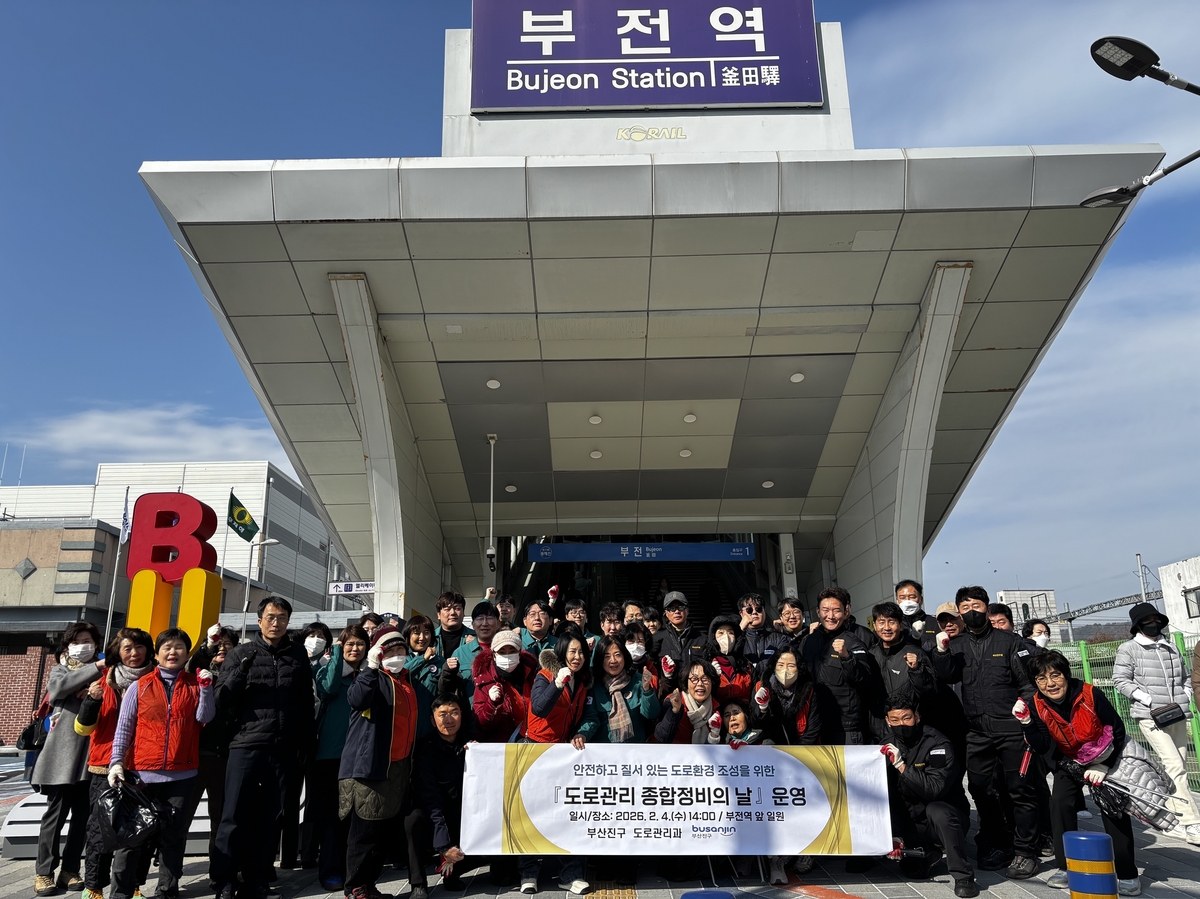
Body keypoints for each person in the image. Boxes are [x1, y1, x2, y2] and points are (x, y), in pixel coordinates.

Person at [1014, 651, 1145, 895]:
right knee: (1060, 804)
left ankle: (1127, 872)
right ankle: (1065, 867)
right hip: (1069, 760)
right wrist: (1026, 723)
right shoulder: (1036, 703)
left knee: (1112, 807)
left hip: (1104, 756)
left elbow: (1116, 730)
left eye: (1055, 675)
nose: (1050, 684)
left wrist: (1104, 765)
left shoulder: (1090, 693)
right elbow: (1042, 745)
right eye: (1041, 679)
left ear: (1066, 674)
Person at [931, 586, 1039, 878]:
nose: (971, 611)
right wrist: (941, 650)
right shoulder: (957, 644)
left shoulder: (1010, 641)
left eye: (976, 605)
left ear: (986, 608)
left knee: (1019, 789)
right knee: (980, 789)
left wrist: (1023, 703)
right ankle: (997, 843)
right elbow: (948, 675)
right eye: (964, 607)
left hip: (1012, 729)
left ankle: (1026, 850)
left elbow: (1030, 683)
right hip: (976, 731)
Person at [212, 597, 316, 899]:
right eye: (270, 617)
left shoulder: (297, 654)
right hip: (245, 744)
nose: (276, 622)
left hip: (283, 746)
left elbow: (305, 702)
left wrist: (306, 741)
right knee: (233, 815)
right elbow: (222, 698)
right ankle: (225, 880)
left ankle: (257, 878)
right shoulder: (242, 653)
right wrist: (239, 672)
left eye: (282, 617)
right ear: (260, 620)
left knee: (271, 816)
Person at [107, 628, 216, 899]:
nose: (173, 652)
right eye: (167, 647)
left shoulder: (194, 683)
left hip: (183, 776)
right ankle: (120, 892)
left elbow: (205, 717)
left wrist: (205, 689)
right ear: (157, 654)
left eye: (179, 647)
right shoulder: (139, 685)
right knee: (132, 839)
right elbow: (125, 727)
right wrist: (117, 762)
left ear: (186, 653)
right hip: (142, 775)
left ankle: (167, 889)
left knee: (174, 837)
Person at [75, 628, 155, 899]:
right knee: (99, 829)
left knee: (141, 830)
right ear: (117, 652)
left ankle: (133, 885)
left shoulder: (158, 681)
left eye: (140, 647)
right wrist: (91, 701)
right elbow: (83, 729)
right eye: (127, 648)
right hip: (104, 766)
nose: (134, 654)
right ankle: (93, 887)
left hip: (144, 766)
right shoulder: (102, 682)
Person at [339, 626, 418, 899]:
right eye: (390, 651)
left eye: (401, 651)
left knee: (381, 831)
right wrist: (371, 668)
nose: (397, 656)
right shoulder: (372, 677)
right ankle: (355, 887)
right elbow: (356, 699)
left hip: (396, 767)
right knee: (365, 831)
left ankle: (368, 884)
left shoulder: (406, 681)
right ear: (379, 654)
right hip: (370, 766)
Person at [1112, 602, 1200, 843]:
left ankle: (1171, 816)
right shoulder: (1129, 648)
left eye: (1156, 618)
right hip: (1150, 715)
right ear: (1138, 625)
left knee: (1177, 766)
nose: (1153, 623)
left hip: (1178, 713)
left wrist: (1186, 695)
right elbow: (1120, 679)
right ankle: (1192, 822)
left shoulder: (1170, 647)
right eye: (1147, 620)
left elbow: (1184, 677)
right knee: (1174, 765)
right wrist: (1147, 699)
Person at [578, 636, 659, 887]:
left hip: (634, 763)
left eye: (617, 655)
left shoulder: (637, 680)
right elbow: (592, 718)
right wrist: (582, 733)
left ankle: (628, 866)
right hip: (604, 764)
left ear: (625, 656)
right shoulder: (594, 686)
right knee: (606, 814)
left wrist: (646, 691)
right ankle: (605, 862)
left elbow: (650, 714)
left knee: (631, 815)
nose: (613, 661)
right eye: (606, 656)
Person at [32, 621, 105, 897]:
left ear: (96, 644)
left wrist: (96, 690)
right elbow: (57, 689)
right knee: (55, 814)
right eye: (76, 641)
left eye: (87, 640)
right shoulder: (61, 669)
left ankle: (70, 870)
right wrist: (94, 670)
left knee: (83, 818)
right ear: (67, 646)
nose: (82, 645)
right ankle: (43, 873)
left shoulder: (104, 674)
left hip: (91, 755)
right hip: (61, 756)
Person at [879, 693, 977, 898]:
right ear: (887, 721)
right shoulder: (886, 743)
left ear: (917, 716)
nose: (901, 724)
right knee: (913, 870)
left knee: (938, 810)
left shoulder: (938, 744)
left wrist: (902, 766)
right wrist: (892, 833)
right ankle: (926, 852)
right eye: (895, 720)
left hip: (943, 818)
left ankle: (963, 875)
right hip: (909, 819)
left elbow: (935, 789)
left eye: (906, 718)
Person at [522, 634, 591, 894]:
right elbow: (538, 708)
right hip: (535, 749)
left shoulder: (582, 684)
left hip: (562, 752)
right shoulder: (545, 675)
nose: (577, 657)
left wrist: (581, 732)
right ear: (562, 653)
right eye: (572, 652)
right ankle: (528, 872)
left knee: (567, 815)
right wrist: (558, 684)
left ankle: (570, 874)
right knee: (531, 814)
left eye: (581, 653)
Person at [311, 625, 368, 892]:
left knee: (356, 818)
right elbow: (328, 689)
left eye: (359, 644)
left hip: (361, 757)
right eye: (349, 644)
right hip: (330, 756)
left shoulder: (369, 675)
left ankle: (351, 870)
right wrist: (334, 654)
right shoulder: (329, 670)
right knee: (331, 818)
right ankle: (330, 870)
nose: (354, 649)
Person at [184, 626, 239, 882]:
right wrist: (208, 645)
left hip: (225, 755)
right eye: (218, 644)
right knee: (183, 814)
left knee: (221, 816)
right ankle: (169, 873)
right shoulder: (195, 675)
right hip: (194, 754)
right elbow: (195, 662)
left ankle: (218, 871)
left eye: (227, 644)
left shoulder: (238, 676)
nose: (222, 648)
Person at [406, 694, 473, 899]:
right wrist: (444, 847)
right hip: (433, 813)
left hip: (460, 813)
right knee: (412, 820)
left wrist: (477, 753)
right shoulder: (425, 750)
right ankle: (418, 884)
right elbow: (430, 799)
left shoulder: (472, 745)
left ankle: (452, 872)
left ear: (462, 715)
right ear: (433, 720)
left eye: (454, 712)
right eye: (442, 714)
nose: (449, 719)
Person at [801, 588, 874, 744]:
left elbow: (863, 678)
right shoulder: (808, 641)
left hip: (846, 729)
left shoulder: (853, 642)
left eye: (836, 611)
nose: (831, 616)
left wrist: (846, 657)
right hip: (814, 726)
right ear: (818, 612)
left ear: (845, 612)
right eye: (825, 610)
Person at [868, 603, 936, 740]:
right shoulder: (870, 655)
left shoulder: (916, 653)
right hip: (877, 731)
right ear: (874, 626)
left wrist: (917, 670)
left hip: (908, 729)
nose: (886, 627)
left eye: (891, 622)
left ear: (901, 625)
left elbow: (931, 692)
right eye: (881, 622)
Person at [471, 628, 538, 744]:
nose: (507, 656)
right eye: (502, 652)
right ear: (494, 655)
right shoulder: (484, 682)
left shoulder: (534, 676)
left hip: (532, 746)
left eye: (512, 651)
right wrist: (491, 704)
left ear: (519, 652)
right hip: (501, 750)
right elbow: (482, 724)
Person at [750, 648, 819, 746]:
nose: (785, 670)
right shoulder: (760, 688)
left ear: (799, 668)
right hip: (768, 749)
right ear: (774, 667)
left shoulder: (809, 691)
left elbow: (813, 730)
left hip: (799, 750)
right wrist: (762, 708)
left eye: (791, 665)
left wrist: (793, 752)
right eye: (781, 665)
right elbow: (755, 725)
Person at [651, 592, 706, 697]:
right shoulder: (657, 639)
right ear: (666, 613)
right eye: (671, 609)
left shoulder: (701, 639)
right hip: (668, 698)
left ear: (687, 610)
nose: (676, 611)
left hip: (695, 696)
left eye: (680, 607)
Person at [654, 661, 722, 745]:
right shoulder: (672, 701)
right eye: (694, 679)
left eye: (705, 679)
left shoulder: (716, 709)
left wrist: (714, 736)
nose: (700, 683)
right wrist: (674, 711)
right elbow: (662, 738)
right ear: (686, 682)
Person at [403, 616, 447, 740]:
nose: (422, 638)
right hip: (404, 729)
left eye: (426, 633)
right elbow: (401, 674)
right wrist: (423, 659)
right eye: (416, 633)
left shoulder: (440, 662)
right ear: (408, 635)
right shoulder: (401, 659)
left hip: (430, 729)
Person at [448, 601, 500, 699]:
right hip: (471, 712)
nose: (484, 623)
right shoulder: (460, 653)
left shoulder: (507, 650)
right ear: (473, 624)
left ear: (498, 623)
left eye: (489, 618)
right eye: (480, 618)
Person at [736, 593, 789, 672]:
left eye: (759, 609)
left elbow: (783, 663)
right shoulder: (737, 639)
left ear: (764, 612)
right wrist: (740, 630)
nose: (754, 612)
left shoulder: (779, 638)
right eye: (749, 610)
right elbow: (730, 658)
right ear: (741, 614)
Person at [706, 615, 752, 705]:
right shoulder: (706, 665)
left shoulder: (746, 665)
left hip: (742, 716)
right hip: (716, 716)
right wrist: (711, 678)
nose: (726, 637)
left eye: (730, 633)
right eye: (721, 633)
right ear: (713, 637)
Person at [895, 580, 938, 648]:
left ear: (921, 600)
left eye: (912, 597)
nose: (907, 601)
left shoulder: (934, 622)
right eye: (902, 598)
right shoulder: (894, 624)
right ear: (897, 601)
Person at [434, 592, 475, 659]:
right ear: (439, 615)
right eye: (447, 609)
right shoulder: (430, 639)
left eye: (457, 608)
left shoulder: (476, 638)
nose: (453, 612)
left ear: (463, 613)